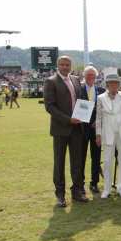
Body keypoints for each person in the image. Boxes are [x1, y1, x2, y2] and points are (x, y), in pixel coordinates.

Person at [43, 55, 88, 207]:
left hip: (77, 129)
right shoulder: (51, 81)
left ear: (71, 66)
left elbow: (81, 101)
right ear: (58, 65)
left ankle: (77, 192)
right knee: (59, 163)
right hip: (61, 129)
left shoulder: (76, 80)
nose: (64, 67)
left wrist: (83, 115)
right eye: (62, 64)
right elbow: (49, 106)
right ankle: (60, 195)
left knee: (77, 162)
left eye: (67, 64)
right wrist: (68, 119)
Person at [80, 65, 105, 194]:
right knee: (81, 157)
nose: (90, 77)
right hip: (82, 128)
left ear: (95, 77)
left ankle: (94, 183)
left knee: (96, 157)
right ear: (84, 76)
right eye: (88, 75)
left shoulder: (101, 90)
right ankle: (81, 184)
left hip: (96, 128)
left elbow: (106, 109)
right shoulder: (79, 89)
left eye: (92, 75)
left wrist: (98, 121)